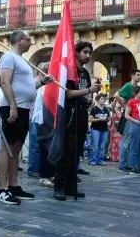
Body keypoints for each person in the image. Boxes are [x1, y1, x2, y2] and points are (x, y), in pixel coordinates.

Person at [0, 30, 52, 204]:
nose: (31, 42)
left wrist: (42, 81)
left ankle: (13, 185)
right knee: (7, 146)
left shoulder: (22, 61)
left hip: (23, 107)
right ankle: (1, 189)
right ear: (19, 40)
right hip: (13, 107)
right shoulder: (8, 58)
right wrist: (12, 106)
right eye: (29, 39)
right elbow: (5, 82)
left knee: (17, 147)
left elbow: (27, 85)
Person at [52, 41, 101, 201]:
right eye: (85, 52)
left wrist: (89, 99)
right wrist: (88, 90)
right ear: (77, 52)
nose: (87, 56)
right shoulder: (70, 71)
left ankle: (71, 187)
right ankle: (59, 186)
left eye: (89, 53)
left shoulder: (85, 73)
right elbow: (66, 93)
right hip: (69, 116)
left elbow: (83, 95)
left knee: (76, 153)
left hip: (81, 115)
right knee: (66, 152)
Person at [32, 62, 54, 187]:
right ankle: (43, 175)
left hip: (47, 120)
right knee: (43, 148)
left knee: (48, 148)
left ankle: (49, 174)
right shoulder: (43, 85)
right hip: (41, 120)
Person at [115, 69, 140, 171]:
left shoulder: (135, 88)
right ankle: (122, 165)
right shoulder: (128, 86)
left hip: (134, 116)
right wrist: (124, 105)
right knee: (126, 141)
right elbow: (116, 95)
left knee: (130, 141)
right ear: (132, 76)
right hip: (128, 116)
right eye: (138, 75)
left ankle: (128, 164)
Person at [124, 86, 140, 174]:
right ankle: (132, 166)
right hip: (135, 125)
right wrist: (136, 121)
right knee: (134, 146)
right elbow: (126, 115)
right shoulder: (131, 101)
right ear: (135, 93)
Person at [88, 94, 110, 166]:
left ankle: (100, 160)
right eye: (101, 99)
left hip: (104, 129)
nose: (103, 100)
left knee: (102, 146)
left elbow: (109, 118)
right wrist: (100, 119)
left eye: (104, 99)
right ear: (97, 100)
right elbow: (91, 119)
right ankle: (92, 160)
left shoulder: (106, 109)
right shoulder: (94, 109)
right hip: (95, 129)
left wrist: (109, 121)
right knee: (95, 145)